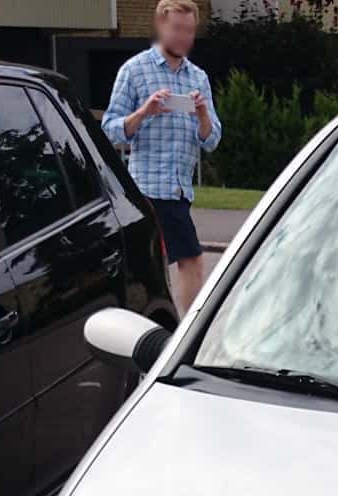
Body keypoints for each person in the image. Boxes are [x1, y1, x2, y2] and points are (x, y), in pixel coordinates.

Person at [102, 0, 222, 309]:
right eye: (178, 29)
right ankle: (167, 330)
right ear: (161, 26)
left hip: (179, 189)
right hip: (145, 188)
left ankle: (179, 330)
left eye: (190, 31)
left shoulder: (199, 77)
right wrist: (144, 112)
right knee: (183, 261)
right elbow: (110, 128)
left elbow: (212, 140)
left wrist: (202, 115)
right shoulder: (134, 70)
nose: (184, 37)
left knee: (183, 262)